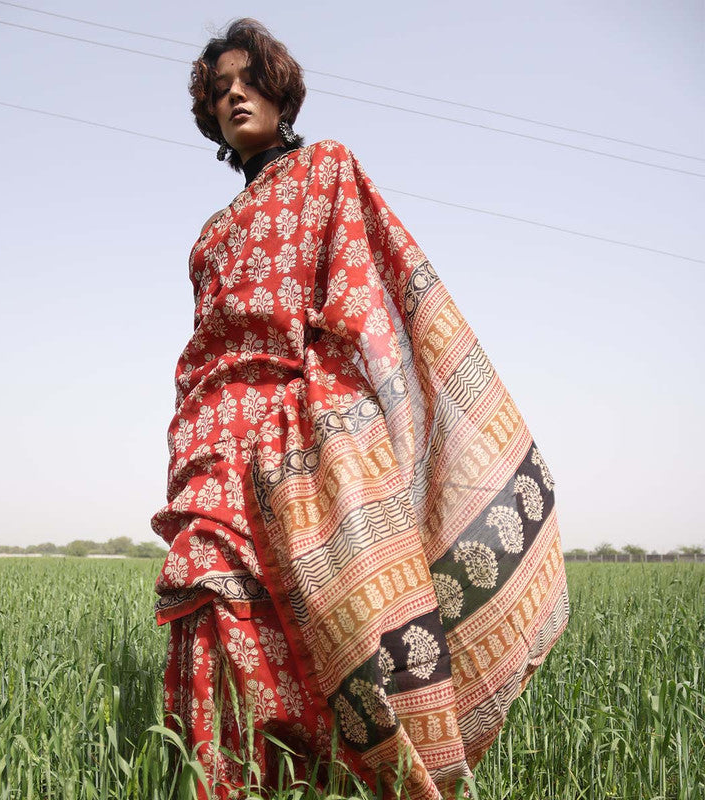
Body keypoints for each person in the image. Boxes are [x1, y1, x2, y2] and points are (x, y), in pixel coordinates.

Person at [151, 18, 569, 800]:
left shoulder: (326, 171)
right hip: (210, 447)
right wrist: (197, 434)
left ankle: (324, 780)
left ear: (280, 91)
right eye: (218, 89)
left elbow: (358, 303)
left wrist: (317, 425)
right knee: (206, 597)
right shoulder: (208, 238)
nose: (233, 93)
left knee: (305, 622)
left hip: (290, 433)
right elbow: (202, 353)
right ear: (208, 114)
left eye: (248, 79)